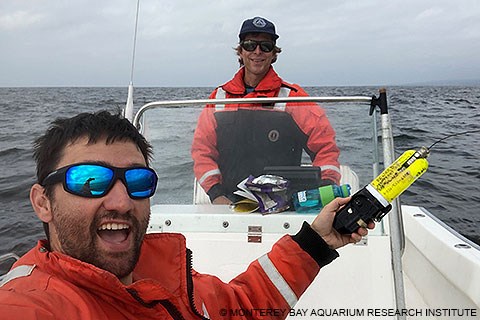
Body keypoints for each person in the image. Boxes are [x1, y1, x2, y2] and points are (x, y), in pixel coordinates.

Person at [0, 111, 373, 319]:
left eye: (138, 180)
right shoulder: (32, 304)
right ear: (42, 202)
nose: (121, 200)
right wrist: (217, 193)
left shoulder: (166, 277)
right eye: (89, 180)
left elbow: (241, 308)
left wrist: (315, 243)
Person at [192, 16, 341, 204]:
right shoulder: (219, 98)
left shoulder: (292, 97)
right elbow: (201, 150)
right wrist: (216, 194)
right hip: (228, 204)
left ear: (274, 53)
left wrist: (326, 189)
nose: (257, 51)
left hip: (282, 205)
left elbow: (325, 146)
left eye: (265, 46)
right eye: (249, 45)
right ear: (240, 51)